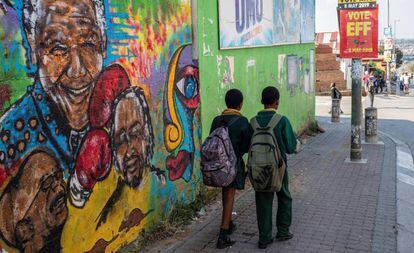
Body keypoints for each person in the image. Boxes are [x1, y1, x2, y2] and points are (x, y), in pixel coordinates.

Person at [251, 87, 297, 249]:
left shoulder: (253, 121)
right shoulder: (281, 120)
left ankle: (264, 238)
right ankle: (283, 230)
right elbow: (291, 147)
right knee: (284, 195)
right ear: (277, 102)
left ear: (262, 102)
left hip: (258, 168)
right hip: (279, 167)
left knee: (263, 200)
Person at [209, 89, 253, 249]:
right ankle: (223, 234)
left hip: (218, 164)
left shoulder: (216, 120)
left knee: (225, 193)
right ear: (240, 104)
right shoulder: (242, 122)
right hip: (233, 164)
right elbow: (247, 145)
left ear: (226, 102)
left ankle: (228, 221)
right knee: (230, 194)